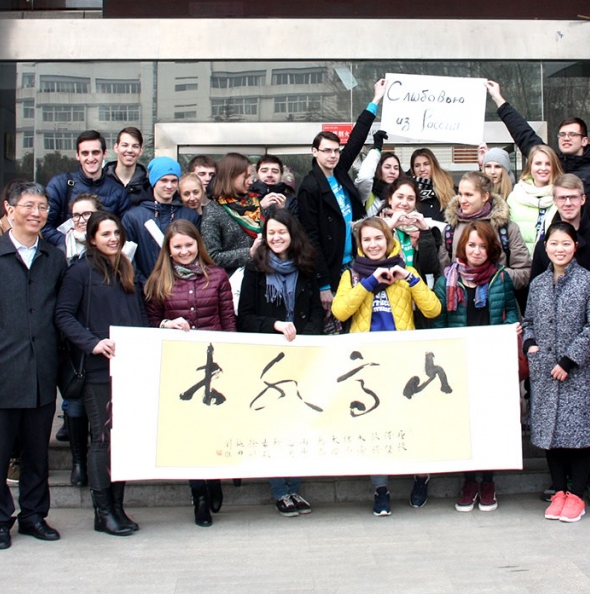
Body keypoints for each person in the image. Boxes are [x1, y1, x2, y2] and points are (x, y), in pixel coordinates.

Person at [0, 182, 67, 550]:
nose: (36, 213)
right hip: (0, 371)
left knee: (36, 450)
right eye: (28, 206)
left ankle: (34, 515)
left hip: (41, 371)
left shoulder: (55, 258)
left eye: (42, 206)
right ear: (9, 209)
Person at [330, 217, 441, 516]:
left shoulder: (408, 271)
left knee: (411, 423)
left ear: (389, 239)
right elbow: (340, 311)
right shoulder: (352, 276)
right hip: (367, 365)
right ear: (360, 245)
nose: (373, 244)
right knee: (375, 426)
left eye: (378, 238)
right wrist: (369, 283)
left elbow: (433, 309)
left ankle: (421, 477)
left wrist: (410, 279)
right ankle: (381, 489)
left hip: (404, 361)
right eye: (367, 240)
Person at [55, 212, 147, 536]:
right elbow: (63, 315)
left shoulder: (126, 268)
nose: (112, 238)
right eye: (105, 233)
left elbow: (138, 315)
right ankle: (102, 511)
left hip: (128, 366)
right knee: (103, 439)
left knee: (120, 442)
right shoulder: (80, 271)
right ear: (91, 237)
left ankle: (118, 508)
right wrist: (92, 343)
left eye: (116, 233)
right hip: (96, 370)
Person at [145, 220, 237, 527]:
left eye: (189, 245)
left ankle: (214, 480)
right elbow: (150, 323)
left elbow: (228, 321)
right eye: (178, 247)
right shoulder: (158, 280)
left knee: (212, 428)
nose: (184, 251)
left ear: (198, 244)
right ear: (168, 251)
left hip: (216, 366)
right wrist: (165, 325)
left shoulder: (218, 276)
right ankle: (198, 495)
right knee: (188, 434)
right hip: (181, 368)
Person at [236, 209, 324, 518]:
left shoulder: (306, 267)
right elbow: (244, 317)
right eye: (271, 232)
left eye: (282, 232)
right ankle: (280, 491)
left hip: (301, 357)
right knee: (273, 426)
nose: (276, 237)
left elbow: (316, 313)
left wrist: (306, 336)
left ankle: (295, 487)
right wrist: (273, 325)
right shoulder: (255, 269)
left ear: (292, 234)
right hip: (267, 360)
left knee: (299, 424)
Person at [528, 174, 590, 507]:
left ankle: (578, 492)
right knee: (551, 432)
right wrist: (529, 345)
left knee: (582, 432)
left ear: (575, 247)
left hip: (578, 369)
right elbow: (528, 318)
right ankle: (558, 490)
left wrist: (569, 360)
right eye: (553, 244)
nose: (559, 249)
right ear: (545, 247)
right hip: (545, 367)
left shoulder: (589, 281)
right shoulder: (538, 284)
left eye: (565, 244)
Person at [432, 221, 519, 511]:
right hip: (459, 363)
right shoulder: (447, 280)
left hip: (492, 363)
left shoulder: (501, 278)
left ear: (491, 248)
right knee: (465, 423)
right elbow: (440, 325)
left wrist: (511, 330)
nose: (477, 251)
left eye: (483, 246)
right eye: (472, 245)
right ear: (462, 247)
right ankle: (469, 480)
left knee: (490, 422)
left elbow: (510, 314)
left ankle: (488, 481)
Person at [299, 80, 386, 315]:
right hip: (332, 268)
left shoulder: (339, 171)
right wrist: (324, 284)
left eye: (336, 150)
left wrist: (375, 99)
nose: (333, 155)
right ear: (314, 152)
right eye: (326, 150)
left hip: (356, 260)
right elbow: (311, 238)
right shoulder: (310, 186)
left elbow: (357, 138)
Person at [486, 80, 590, 230]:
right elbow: (523, 133)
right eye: (562, 134)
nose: (566, 138)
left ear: (584, 140)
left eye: (572, 134)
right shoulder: (551, 163)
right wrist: (498, 98)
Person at [57, 193, 104, 488]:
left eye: (87, 216)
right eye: (76, 215)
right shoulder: (58, 247)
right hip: (73, 342)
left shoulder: (121, 250)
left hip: (104, 341)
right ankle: (77, 461)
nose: (80, 221)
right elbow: (62, 311)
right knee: (73, 401)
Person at [440, 171, 532, 292]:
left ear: (485, 196)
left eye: (469, 195)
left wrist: (495, 278)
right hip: (460, 305)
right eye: (460, 194)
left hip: (498, 303)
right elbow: (442, 274)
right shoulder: (450, 229)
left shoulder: (506, 228)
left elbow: (524, 272)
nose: (462, 200)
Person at [43, 130, 131, 247]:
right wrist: (69, 243)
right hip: (67, 259)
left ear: (104, 154)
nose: (90, 158)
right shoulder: (60, 185)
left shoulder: (118, 191)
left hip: (104, 259)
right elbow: (44, 226)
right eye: (85, 153)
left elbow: (124, 231)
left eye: (95, 152)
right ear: (77, 156)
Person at [123, 156, 201, 283]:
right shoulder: (134, 217)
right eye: (163, 180)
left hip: (183, 291)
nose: (169, 186)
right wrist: (145, 287)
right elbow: (129, 259)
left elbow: (197, 256)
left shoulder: (189, 216)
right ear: (154, 181)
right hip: (146, 291)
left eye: (174, 181)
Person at [201, 152, 264, 276]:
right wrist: (249, 253)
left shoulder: (254, 203)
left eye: (251, 176)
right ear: (231, 176)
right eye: (246, 177)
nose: (250, 181)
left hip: (260, 277)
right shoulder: (214, 210)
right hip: (231, 282)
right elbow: (211, 256)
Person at [379, 176, 443, 285]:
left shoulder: (423, 226)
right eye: (400, 197)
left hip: (416, 288)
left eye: (410, 198)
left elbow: (430, 267)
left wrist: (425, 232)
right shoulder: (377, 226)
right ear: (390, 199)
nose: (404, 203)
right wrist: (388, 228)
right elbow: (374, 260)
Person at [507, 144, 562, 254]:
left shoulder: (563, 195)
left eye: (548, 164)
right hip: (522, 264)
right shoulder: (515, 196)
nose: (543, 168)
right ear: (530, 167)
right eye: (538, 163)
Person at [104, 127, 151, 206]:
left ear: (141, 151)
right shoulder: (101, 181)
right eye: (125, 145)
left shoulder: (148, 188)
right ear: (116, 148)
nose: (129, 150)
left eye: (135, 146)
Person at [353, 130, 394, 215]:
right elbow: (365, 177)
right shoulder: (368, 193)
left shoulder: (405, 193)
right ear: (378, 169)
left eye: (396, 168)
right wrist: (376, 149)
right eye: (387, 167)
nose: (392, 171)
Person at [409, 148, 454, 222]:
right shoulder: (409, 191)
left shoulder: (448, 187)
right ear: (413, 169)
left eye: (426, 164)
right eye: (417, 166)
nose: (422, 169)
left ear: (433, 165)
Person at [252, 154, 299, 219]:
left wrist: (282, 211)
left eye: (275, 171)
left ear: (281, 175)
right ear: (257, 174)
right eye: (264, 171)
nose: (269, 175)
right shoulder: (247, 198)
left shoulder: (291, 201)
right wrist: (260, 207)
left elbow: (296, 228)